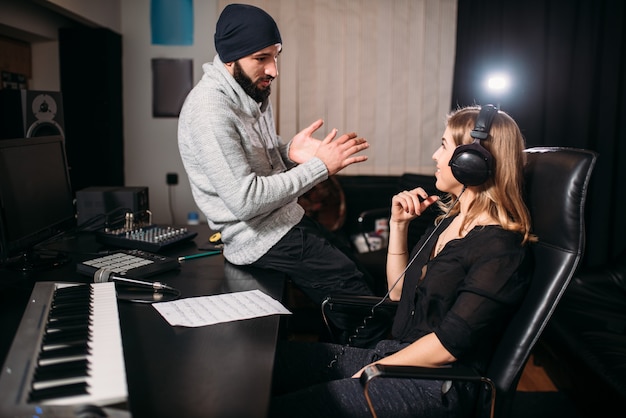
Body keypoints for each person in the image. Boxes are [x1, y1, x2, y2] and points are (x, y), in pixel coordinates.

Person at [269, 105, 536, 417]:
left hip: (436, 385)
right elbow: (398, 293)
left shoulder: (501, 250)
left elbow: (448, 345)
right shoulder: (451, 221)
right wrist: (399, 226)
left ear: (472, 163)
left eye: (444, 147)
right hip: (399, 357)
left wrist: (373, 369)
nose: (436, 157)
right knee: (271, 363)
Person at [177, 3, 381, 342]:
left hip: (282, 220)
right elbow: (245, 199)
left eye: (276, 56)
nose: (273, 69)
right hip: (260, 237)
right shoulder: (210, 112)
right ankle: (375, 380)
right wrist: (320, 167)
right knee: (359, 305)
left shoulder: (247, 93)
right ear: (230, 57)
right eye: (261, 58)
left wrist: (288, 153)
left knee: (358, 273)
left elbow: (256, 159)